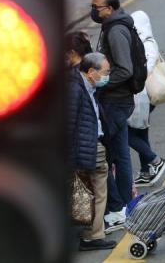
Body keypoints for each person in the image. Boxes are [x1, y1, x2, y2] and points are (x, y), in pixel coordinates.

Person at [90, 0, 136, 233]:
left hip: (115, 101)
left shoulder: (116, 30)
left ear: (109, 8)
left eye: (96, 7)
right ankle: (125, 205)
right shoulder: (111, 25)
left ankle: (117, 208)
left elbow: (125, 69)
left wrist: (104, 81)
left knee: (105, 156)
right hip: (116, 100)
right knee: (120, 153)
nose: (93, 10)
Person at [68, 52, 116, 251]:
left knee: (88, 192)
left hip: (88, 146)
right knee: (97, 191)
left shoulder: (82, 86)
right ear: (90, 72)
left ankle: (90, 233)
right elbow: (68, 124)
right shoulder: (75, 89)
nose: (107, 76)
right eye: (105, 72)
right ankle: (92, 236)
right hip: (87, 148)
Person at [128, 11, 165, 187]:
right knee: (140, 132)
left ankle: (155, 161)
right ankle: (146, 172)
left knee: (126, 133)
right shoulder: (139, 41)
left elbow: (146, 69)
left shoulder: (147, 44)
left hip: (142, 96)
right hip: (140, 96)